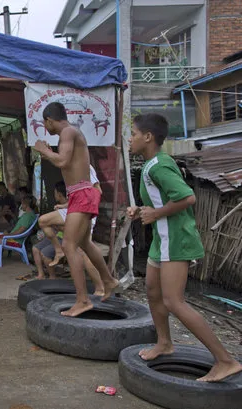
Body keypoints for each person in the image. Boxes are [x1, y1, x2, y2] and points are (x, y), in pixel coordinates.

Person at [127, 113, 242, 382]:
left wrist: (154, 214)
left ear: (147, 137)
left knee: (173, 301)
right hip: (162, 239)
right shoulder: (151, 164)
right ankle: (165, 343)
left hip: (176, 239)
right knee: (153, 292)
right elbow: (163, 201)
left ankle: (226, 360)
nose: (129, 138)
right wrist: (142, 211)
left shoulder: (159, 166)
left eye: (133, 133)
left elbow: (187, 197)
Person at [33, 102, 119, 317]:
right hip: (79, 194)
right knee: (83, 243)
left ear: (50, 120)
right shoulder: (71, 133)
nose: (47, 128)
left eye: (46, 124)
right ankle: (108, 280)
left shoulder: (68, 132)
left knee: (69, 245)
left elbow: (62, 161)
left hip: (81, 194)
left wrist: (45, 150)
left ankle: (82, 300)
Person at [23, 182, 104, 296]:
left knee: (84, 255)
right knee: (77, 255)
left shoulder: (85, 170)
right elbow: (77, 198)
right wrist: (65, 206)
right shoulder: (73, 176)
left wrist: (86, 208)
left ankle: (102, 286)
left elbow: (96, 192)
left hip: (82, 213)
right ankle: (92, 289)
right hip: (77, 213)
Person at [41, 165, 101, 267]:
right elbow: (75, 198)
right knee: (44, 221)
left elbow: (98, 191)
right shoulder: (68, 168)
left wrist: (86, 209)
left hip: (84, 210)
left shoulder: (85, 167)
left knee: (85, 253)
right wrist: (63, 205)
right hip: (75, 209)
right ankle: (59, 251)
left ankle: (104, 281)